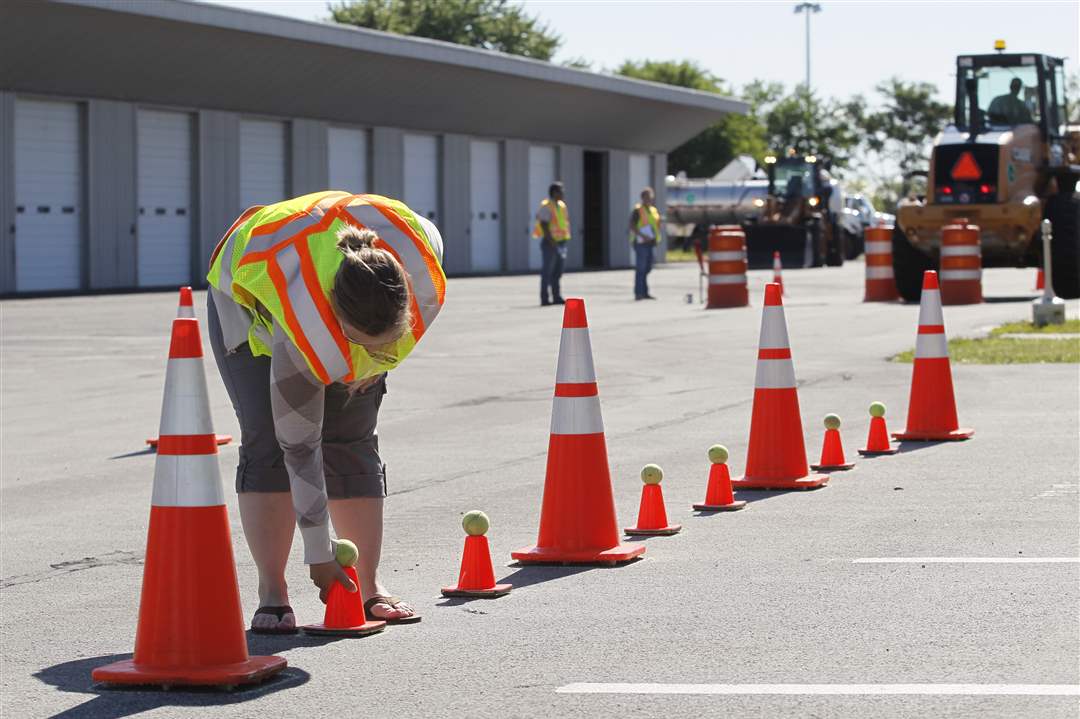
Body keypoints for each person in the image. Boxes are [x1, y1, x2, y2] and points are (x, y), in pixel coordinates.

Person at [205, 191, 446, 633]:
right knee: (267, 442)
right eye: (358, 344)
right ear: (333, 320)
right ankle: (272, 593)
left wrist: (368, 362)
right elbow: (299, 445)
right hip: (246, 290)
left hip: (331, 260)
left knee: (353, 435)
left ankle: (368, 585)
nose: (374, 356)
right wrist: (318, 550)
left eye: (386, 343)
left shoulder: (420, 254)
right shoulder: (303, 319)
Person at [533, 182, 570, 306]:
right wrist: (551, 241)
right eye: (561, 191)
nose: (563, 193)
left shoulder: (562, 206)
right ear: (554, 192)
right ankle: (544, 298)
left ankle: (556, 296)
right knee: (547, 272)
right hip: (550, 243)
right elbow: (543, 225)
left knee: (558, 272)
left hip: (561, 243)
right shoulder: (547, 206)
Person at [628, 187, 662, 300]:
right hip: (640, 242)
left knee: (648, 268)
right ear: (642, 198)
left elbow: (655, 226)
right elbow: (632, 226)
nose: (649, 199)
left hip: (651, 243)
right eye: (647, 197)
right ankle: (639, 293)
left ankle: (644, 291)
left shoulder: (653, 210)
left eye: (650, 197)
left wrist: (655, 239)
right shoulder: (638, 210)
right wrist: (643, 236)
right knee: (641, 269)